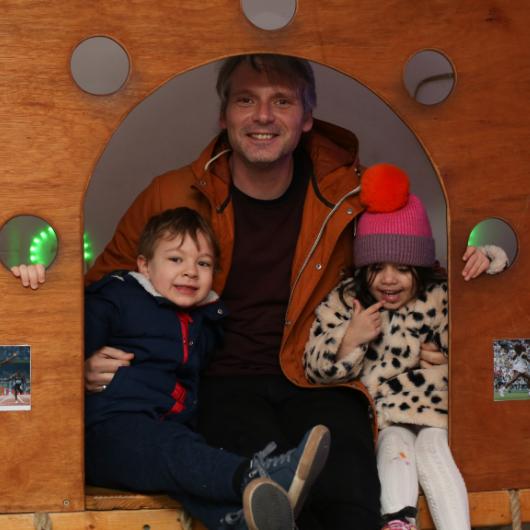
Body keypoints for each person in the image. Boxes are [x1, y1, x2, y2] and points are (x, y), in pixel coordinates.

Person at [12, 54, 494, 529]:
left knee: (348, 489)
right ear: (224, 116)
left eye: (281, 101)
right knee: (264, 493)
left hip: (318, 377)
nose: (263, 116)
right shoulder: (172, 192)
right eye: (247, 100)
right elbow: (102, 289)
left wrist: (468, 308)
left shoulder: (348, 194)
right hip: (219, 381)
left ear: (307, 117)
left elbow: (420, 280)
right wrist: (82, 357)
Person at [83, 206, 331, 530]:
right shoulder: (117, 297)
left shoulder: (207, 320)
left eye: (203, 263)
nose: (190, 271)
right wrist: (79, 366)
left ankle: (242, 521)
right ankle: (259, 474)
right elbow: (60, 342)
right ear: (144, 265)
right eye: (175, 259)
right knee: (177, 452)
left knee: (190, 467)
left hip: (166, 432)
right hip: (109, 434)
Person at [303, 164, 508, 530]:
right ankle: (398, 523)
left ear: (421, 267)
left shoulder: (442, 297)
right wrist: (351, 338)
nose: (388, 279)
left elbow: (495, 331)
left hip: (441, 417)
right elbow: (313, 365)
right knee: (394, 448)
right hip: (385, 419)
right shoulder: (350, 301)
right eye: (377, 267)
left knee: (432, 448)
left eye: (402, 267)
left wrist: (490, 259)